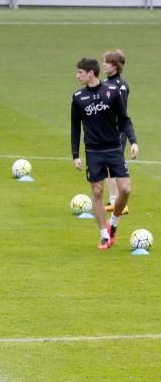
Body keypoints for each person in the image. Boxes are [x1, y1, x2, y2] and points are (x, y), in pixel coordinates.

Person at [71, 57, 138, 250]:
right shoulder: (78, 97)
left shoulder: (112, 93)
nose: (77, 76)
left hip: (114, 148)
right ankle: (104, 237)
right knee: (98, 191)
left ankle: (113, 225)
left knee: (125, 189)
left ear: (90, 73)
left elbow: (124, 120)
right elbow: (75, 128)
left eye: (80, 73)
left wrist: (133, 141)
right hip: (93, 151)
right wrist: (75, 155)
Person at [102, 49, 131, 215]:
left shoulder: (120, 86)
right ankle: (115, 200)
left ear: (115, 65)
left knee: (113, 164)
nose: (103, 64)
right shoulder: (106, 84)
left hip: (116, 131)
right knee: (108, 165)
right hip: (106, 131)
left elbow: (120, 111)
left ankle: (118, 202)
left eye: (107, 61)